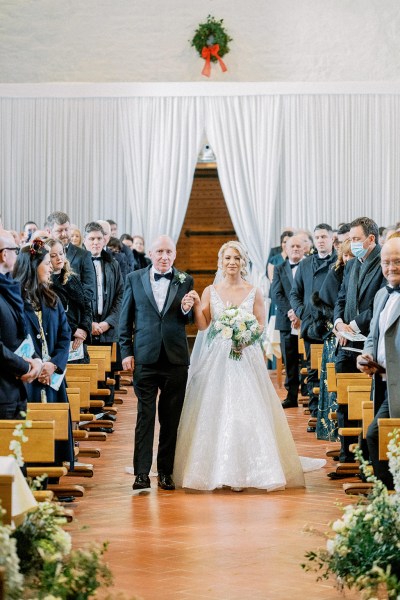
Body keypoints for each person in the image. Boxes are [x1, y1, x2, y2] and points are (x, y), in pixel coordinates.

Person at [173, 241, 325, 492]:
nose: (232, 262)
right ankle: (216, 469)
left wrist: (243, 339)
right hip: (217, 358)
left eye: (237, 258)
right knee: (215, 411)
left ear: (243, 262)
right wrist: (198, 305)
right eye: (228, 258)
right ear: (220, 262)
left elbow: (260, 325)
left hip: (245, 357)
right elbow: (202, 326)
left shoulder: (253, 291)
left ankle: (244, 471)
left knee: (245, 413)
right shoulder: (211, 290)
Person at [119, 235, 194, 491]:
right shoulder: (134, 278)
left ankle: (165, 472)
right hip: (145, 358)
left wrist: (186, 309)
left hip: (175, 359)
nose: (164, 256)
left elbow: (189, 319)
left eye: (169, 252)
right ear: (150, 253)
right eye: (160, 251)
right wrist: (126, 352)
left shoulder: (186, 280)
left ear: (174, 254)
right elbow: (125, 319)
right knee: (145, 417)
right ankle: (141, 473)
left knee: (171, 419)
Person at [13, 239, 74, 466]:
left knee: (54, 425)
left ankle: (52, 473)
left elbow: (65, 335)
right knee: (32, 433)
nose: (51, 267)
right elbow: (15, 339)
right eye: (47, 263)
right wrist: (36, 366)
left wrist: (54, 364)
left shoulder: (52, 298)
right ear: (32, 265)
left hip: (53, 376)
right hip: (28, 376)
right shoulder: (16, 300)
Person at [333, 216, 385, 463]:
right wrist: (338, 323)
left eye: (355, 239)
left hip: (368, 343)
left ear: (370, 239)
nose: (351, 244)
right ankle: (347, 453)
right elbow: (341, 297)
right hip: (345, 342)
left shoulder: (383, 262)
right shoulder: (353, 264)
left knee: (366, 403)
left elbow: (380, 304)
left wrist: (354, 325)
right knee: (344, 402)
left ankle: (366, 457)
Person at [356, 237, 400, 489]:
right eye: (386, 262)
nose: (391, 267)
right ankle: (391, 494)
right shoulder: (381, 294)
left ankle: (390, 494)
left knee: (376, 434)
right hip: (382, 381)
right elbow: (373, 335)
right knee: (378, 436)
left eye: (397, 262)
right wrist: (367, 356)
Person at [289, 224, 337, 427]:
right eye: (317, 237)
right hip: (311, 326)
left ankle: (332, 413)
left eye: (324, 236)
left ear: (332, 239)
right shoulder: (306, 263)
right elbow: (294, 293)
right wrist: (302, 312)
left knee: (332, 369)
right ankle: (316, 413)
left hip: (332, 326)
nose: (320, 240)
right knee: (312, 370)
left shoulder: (339, 262)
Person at [0, 230, 43, 419]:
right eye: (15, 250)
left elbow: (20, 334)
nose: (18, 255)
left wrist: (36, 360)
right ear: (4, 254)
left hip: (16, 390)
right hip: (3, 391)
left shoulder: (10, 287)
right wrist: (25, 367)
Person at [271, 235, 305, 408]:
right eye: (292, 246)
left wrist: (301, 313)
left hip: (306, 319)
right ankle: (291, 396)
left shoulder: (309, 266)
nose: (296, 249)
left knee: (307, 358)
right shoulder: (279, 268)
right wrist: (292, 313)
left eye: (299, 246)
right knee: (289, 360)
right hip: (286, 321)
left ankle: (308, 394)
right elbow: (276, 294)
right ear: (286, 249)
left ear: (305, 248)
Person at [47, 239, 92, 363]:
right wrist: (73, 330)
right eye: (53, 255)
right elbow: (51, 315)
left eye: (61, 253)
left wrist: (83, 329)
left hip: (79, 342)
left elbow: (87, 307)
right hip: (58, 340)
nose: (59, 258)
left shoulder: (72, 279)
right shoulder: (44, 284)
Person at [45, 211, 96, 305]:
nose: (64, 234)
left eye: (67, 229)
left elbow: (89, 291)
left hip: (74, 314)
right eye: (59, 230)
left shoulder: (84, 255)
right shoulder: (42, 253)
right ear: (49, 231)